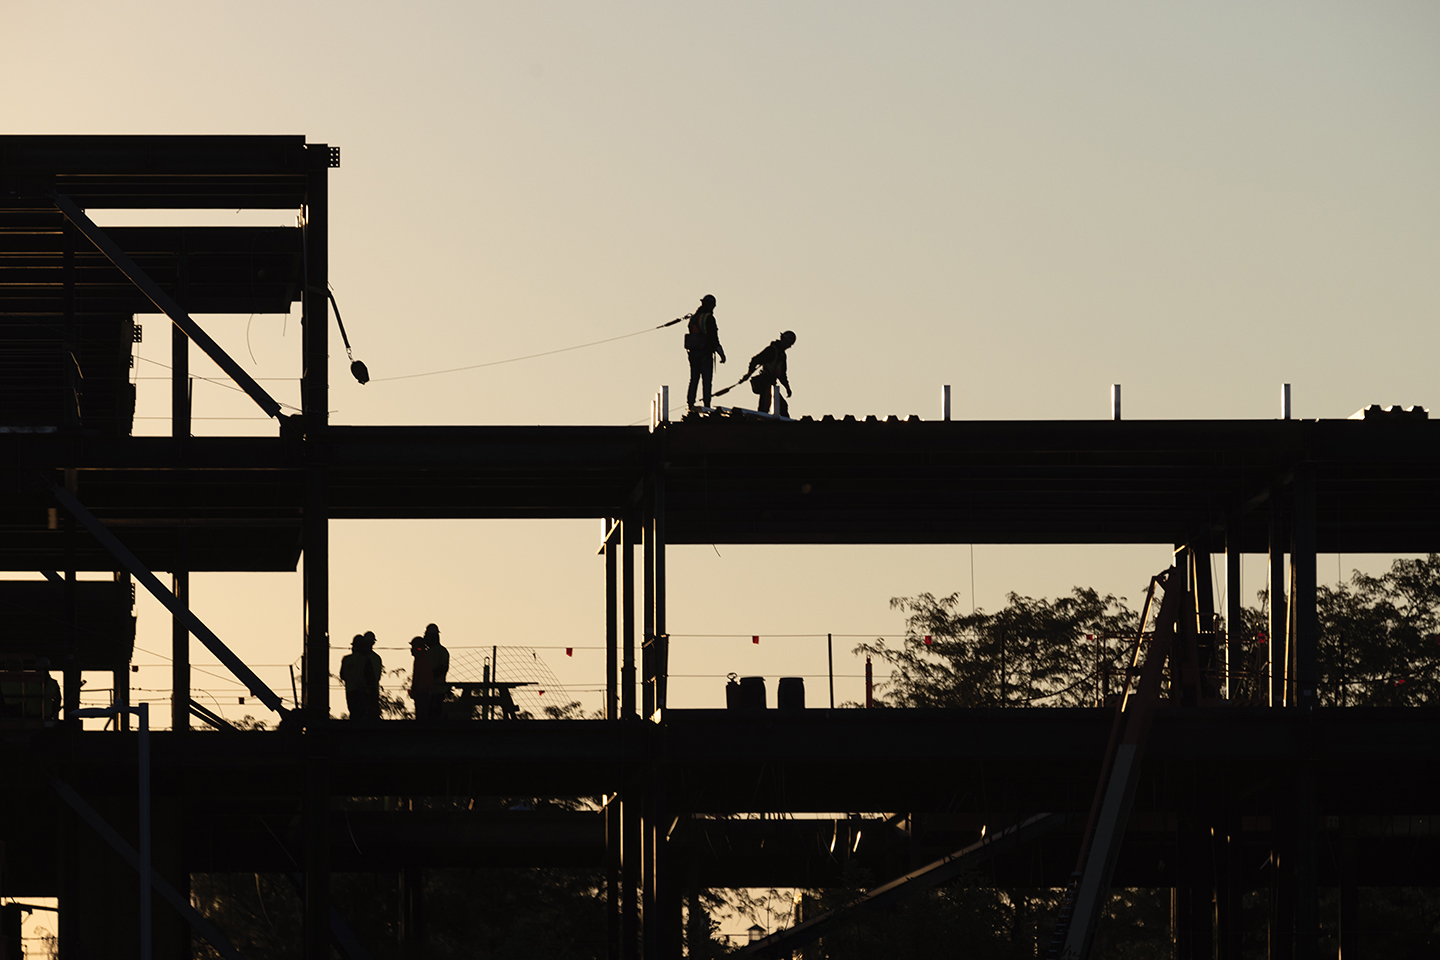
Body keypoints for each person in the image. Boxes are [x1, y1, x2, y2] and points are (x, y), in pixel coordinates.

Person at [683, 294, 726, 409]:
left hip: (693, 353)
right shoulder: (708, 318)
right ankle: (707, 404)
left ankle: (690, 403)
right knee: (706, 381)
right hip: (705, 354)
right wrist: (721, 354)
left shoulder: (694, 318)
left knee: (694, 379)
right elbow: (714, 338)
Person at [746, 330, 796, 416]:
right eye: (787, 343)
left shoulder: (782, 356)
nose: (787, 346)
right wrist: (749, 373)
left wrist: (787, 387)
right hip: (765, 383)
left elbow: (782, 375)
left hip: (772, 384)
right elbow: (755, 360)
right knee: (764, 408)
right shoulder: (772, 351)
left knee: (782, 406)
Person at [339, 632, 383, 720]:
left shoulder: (346, 659)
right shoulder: (365, 659)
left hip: (350, 692)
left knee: (354, 715)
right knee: (364, 717)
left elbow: (342, 675)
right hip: (364, 692)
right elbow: (372, 678)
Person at [423, 623, 450, 719]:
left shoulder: (441, 651)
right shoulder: (426, 652)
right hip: (426, 690)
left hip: (437, 690)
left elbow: (443, 668)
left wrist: (429, 676)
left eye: (427, 636)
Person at [408, 635, 434, 721]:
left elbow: (418, 677)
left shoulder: (421, 659)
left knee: (421, 716)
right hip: (424, 691)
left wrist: (414, 689)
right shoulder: (424, 657)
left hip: (422, 692)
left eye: (413, 647)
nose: (411, 649)